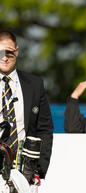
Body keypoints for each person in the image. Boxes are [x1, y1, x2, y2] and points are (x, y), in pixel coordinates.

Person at [0, 30, 53, 178]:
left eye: (9, 52)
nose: (4, 57)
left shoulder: (34, 84)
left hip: (24, 171)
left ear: (16, 51)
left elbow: (45, 129)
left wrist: (38, 170)